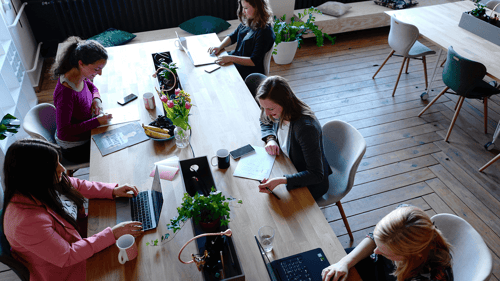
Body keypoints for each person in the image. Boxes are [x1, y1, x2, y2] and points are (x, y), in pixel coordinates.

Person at [2, 139, 143, 281]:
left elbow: (76, 184)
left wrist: (112, 190)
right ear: (34, 174)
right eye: (54, 166)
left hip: (82, 238)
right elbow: (68, 256)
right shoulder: (26, 223)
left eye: (58, 162)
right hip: (65, 270)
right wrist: (113, 233)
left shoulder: (41, 183)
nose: (62, 169)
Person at [321, 206, 453, 281]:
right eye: (378, 245)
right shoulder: (404, 217)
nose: (375, 251)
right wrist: (344, 262)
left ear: (411, 255)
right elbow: (374, 238)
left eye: (386, 252)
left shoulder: (427, 278)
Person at [256, 76, 332, 200]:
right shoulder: (277, 110)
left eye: (270, 108)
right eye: (263, 108)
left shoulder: (306, 128)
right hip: (289, 165)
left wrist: (282, 180)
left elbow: (316, 175)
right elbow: (265, 120)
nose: (267, 113)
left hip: (310, 184)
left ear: (285, 102)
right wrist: (271, 139)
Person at [51, 36, 113, 163]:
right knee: (113, 153)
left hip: (87, 130)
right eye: (97, 69)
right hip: (75, 148)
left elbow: (91, 86)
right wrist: (96, 122)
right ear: (81, 63)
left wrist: (96, 99)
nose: (100, 73)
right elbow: (64, 132)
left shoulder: (78, 75)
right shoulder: (65, 94)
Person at [208, 0, 275, 80]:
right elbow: (233, 36)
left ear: (257, 7)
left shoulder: (265, 32)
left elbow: (253, 61)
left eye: (246, 8)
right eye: (243, 7)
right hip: (237, 60)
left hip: (249, 71)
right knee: (213, 63)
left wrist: (230, 58)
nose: (243, 11)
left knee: (217, 73)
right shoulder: (249, 20)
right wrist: (219, 47)